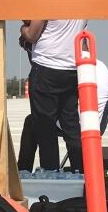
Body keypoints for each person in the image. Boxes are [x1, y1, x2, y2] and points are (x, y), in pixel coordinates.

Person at [20, 19, 87, 171]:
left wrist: (23, 29)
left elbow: (31, 35)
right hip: (72, 69)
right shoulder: (81, 4)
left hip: (46, 67)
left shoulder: (47, 0)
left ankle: (51, 173)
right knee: (71, 126)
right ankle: (82, 173)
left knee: (45, 128)